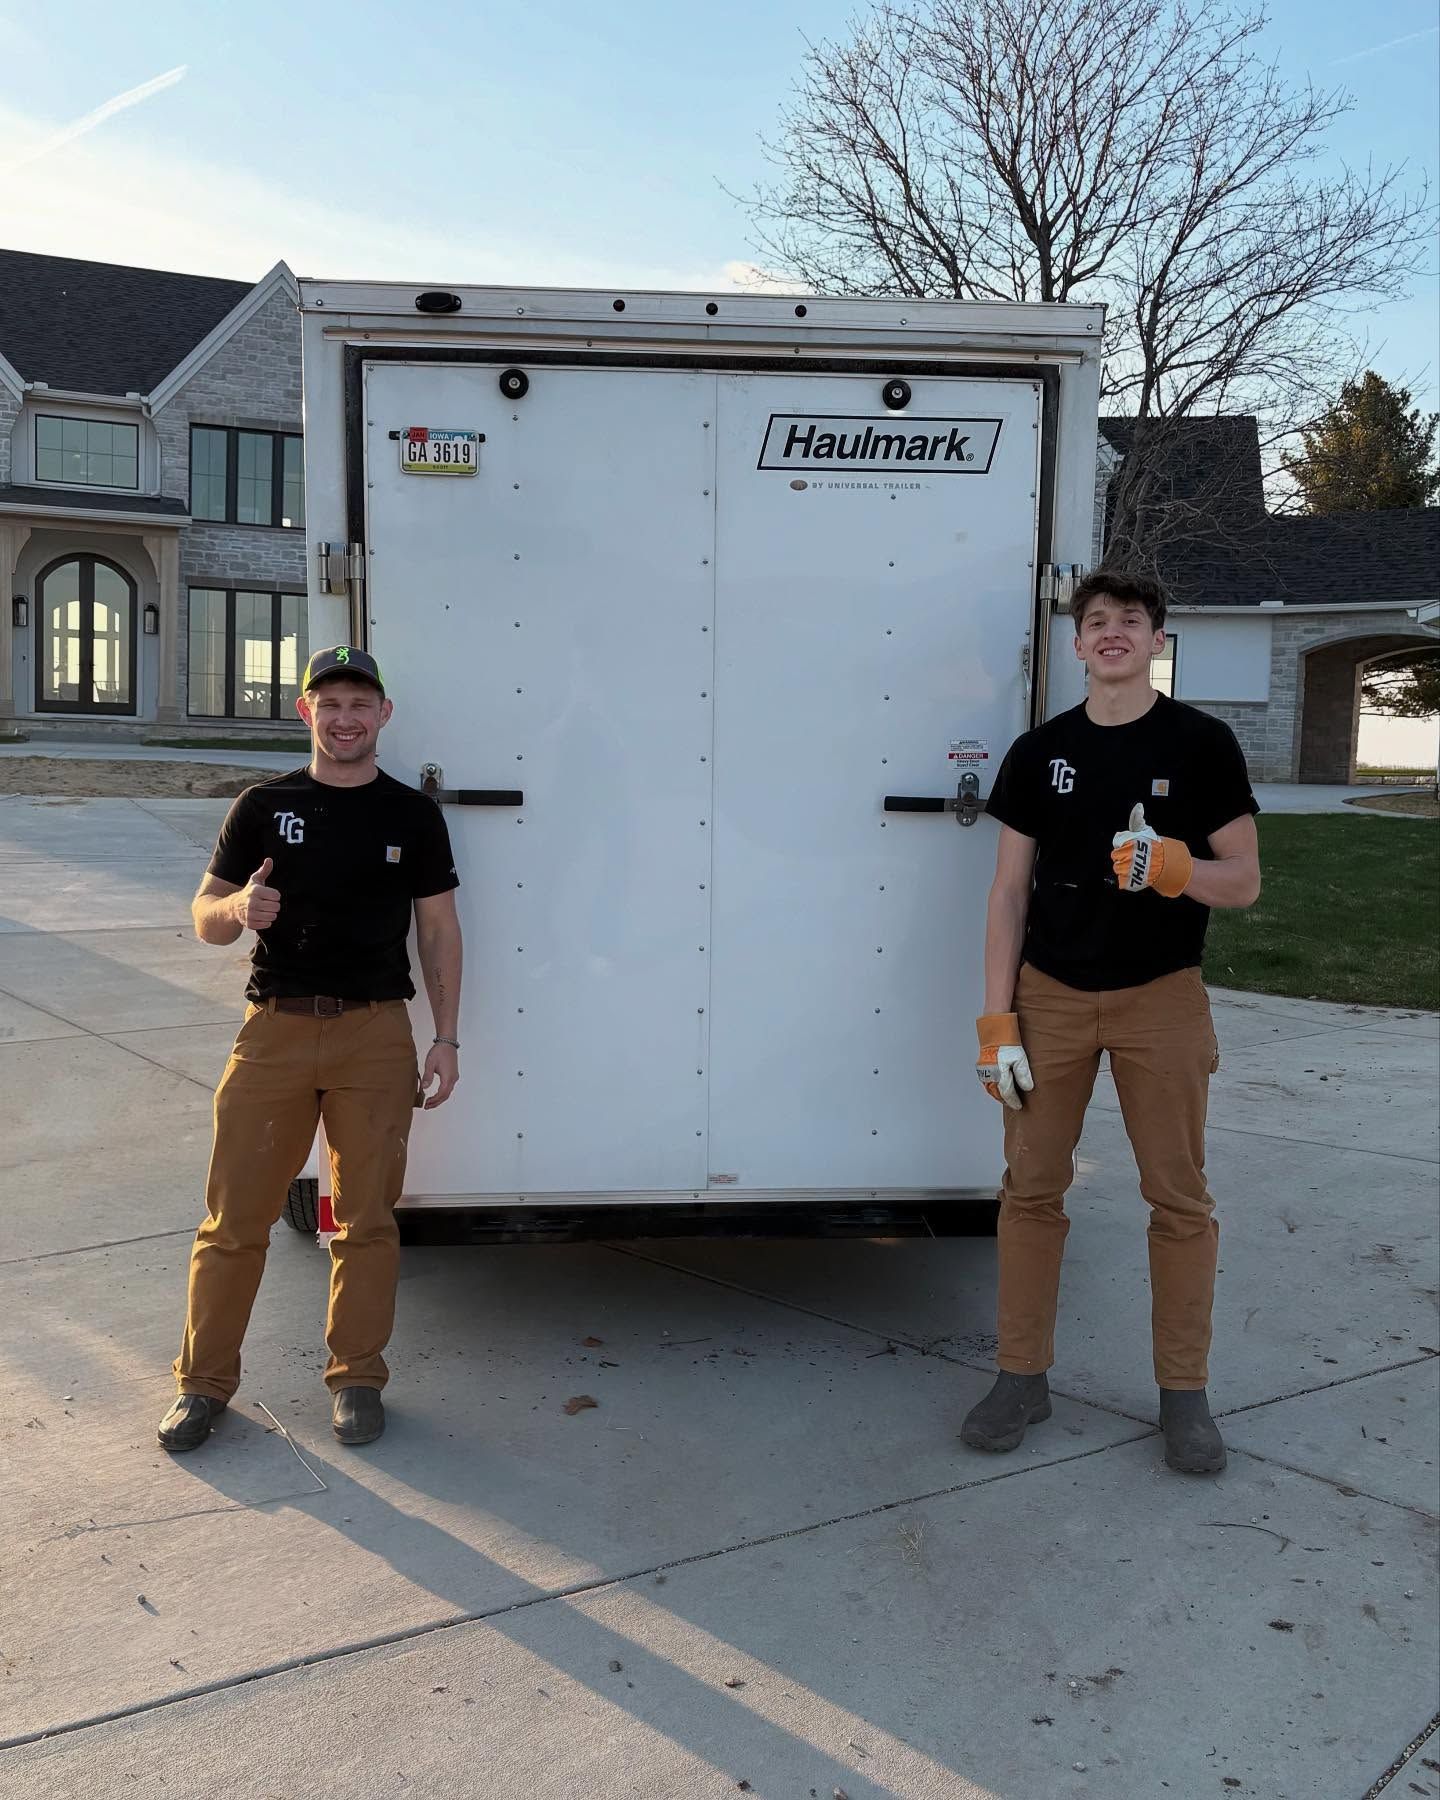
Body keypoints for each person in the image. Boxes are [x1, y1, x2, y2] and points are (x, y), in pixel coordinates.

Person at [963, 569, 1260, 1474]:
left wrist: (1174, 868)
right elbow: (1008, 892)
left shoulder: (1203, 744)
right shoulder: (1039, 752)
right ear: (1079, 644)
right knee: (1030, 1192)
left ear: (1157, 640)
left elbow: (1244, 882)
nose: (1114, 632)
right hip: (1050, 996)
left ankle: (1184, 1396)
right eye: (1097, 621)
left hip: (1161, 996)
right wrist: (996, 1020)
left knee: (1178, 1199)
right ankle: (1022, 1378)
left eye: (1132, 619)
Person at [157, 645, 463, 1452]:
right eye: (330, 704)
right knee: (234, 1219)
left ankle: (357, 1376)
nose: (345, 718)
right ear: (305, 712)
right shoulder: (262, 806)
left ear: (383, 714)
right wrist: (237, 912)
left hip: (375, 1034)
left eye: (360, 703)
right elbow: (205, 915)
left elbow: (439, 929)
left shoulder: (412, 815)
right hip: (275, 1030)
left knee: (366, 1220)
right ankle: (202, 1384)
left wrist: (445, 1037)